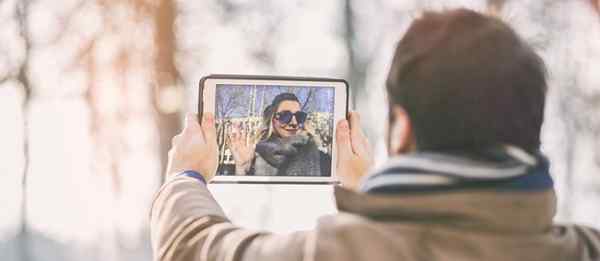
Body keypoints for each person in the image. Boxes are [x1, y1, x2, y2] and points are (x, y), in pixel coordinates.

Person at [151, 9, 600, 261]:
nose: (291, 125)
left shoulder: (343, 254)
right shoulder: (585, 248)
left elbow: (194, 249)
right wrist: (364, 193)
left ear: (401, 127)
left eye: (297, 118)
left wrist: (186, 177)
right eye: (283, 118)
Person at [228, 92, 331, 176]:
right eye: (285, 116)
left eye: (299, 116)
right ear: (272, 120)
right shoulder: (253, 160)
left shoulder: (322, 159)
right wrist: (241, 169)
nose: (294, 122)